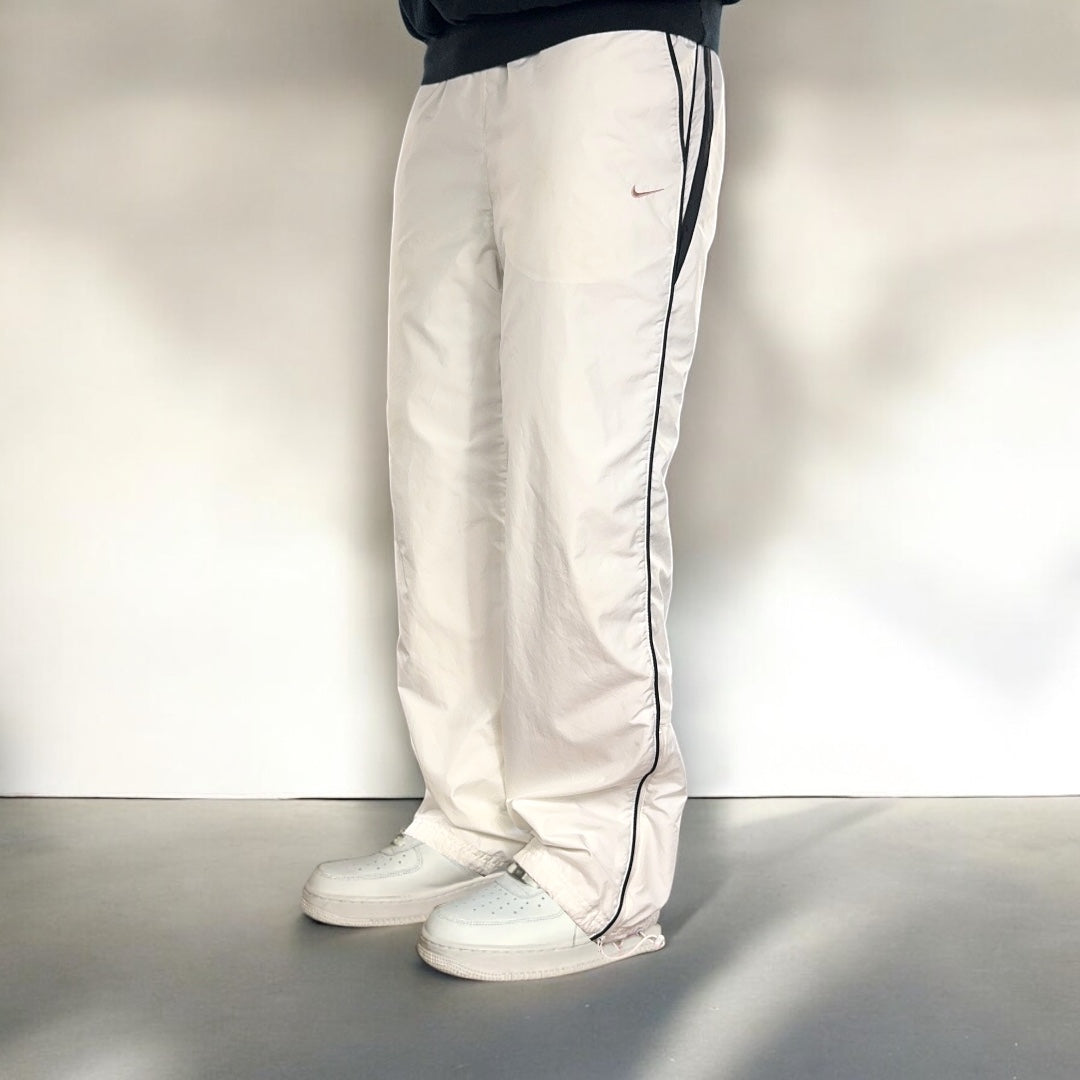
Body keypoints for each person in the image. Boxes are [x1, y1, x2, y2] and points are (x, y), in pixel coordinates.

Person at [302, 0, 739, 982]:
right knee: (444, 468)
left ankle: (595, 862)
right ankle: (472, 818)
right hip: (454, 58)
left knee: (581, 470)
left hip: (613, 34)